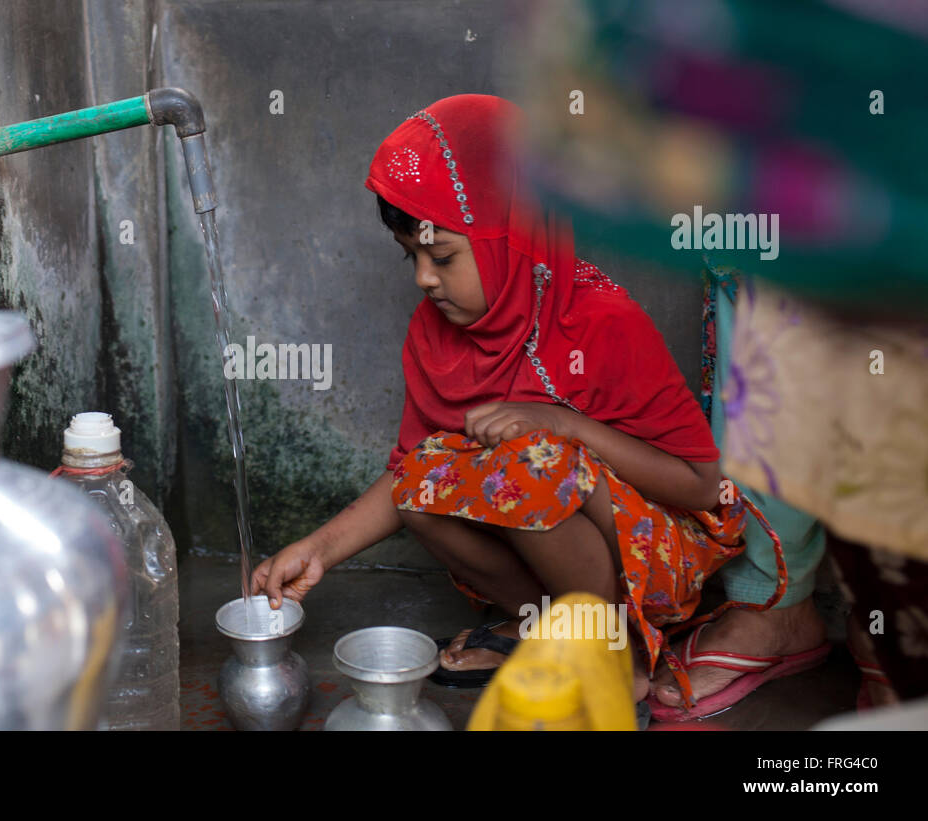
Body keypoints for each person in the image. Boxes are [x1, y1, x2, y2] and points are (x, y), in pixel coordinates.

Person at [249, 94, 803, 709]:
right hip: (558, 532)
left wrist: (567, 426)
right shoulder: (435, 334)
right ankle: (542, 620)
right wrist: (317, 550)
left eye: (443, 257)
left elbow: (703, 488)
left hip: (660, 554)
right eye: (413, 258)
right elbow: (411, 472)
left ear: (510, 235)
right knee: (422, 483)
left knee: (534, 461)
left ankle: (613, 653)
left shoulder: (600, 323)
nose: (424, 279)